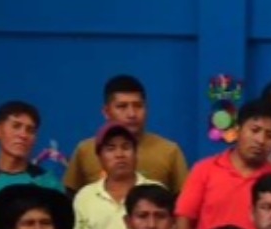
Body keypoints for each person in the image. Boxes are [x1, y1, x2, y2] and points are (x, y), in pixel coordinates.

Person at [173, 99, 271, 229]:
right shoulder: (204, 170)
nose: (261, 140)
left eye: (269, 135)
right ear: (238, 130)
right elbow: (184, 220)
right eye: (255, 130)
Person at [62, 75, 190, 193]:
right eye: (122, 106)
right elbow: (70, 199)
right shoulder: (85, 150)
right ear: (106, 111)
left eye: (138, 106)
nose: (132, 114)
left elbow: (184, 205)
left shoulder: (169, 151)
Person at [71, 122, 160, 229]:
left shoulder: (155, 191)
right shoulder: (85, 196)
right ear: (99, 157)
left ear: (136, 153)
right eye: (111, 149)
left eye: (126, 147)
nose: (120, 155)